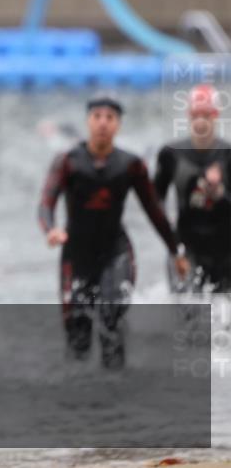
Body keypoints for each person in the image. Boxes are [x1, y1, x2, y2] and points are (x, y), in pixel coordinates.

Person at [37, 95, 190, 369]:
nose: (103, 124)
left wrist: (175, 250)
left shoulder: (130, 165)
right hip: (76, 255)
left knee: (111, 320)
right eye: (97, 117)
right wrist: (51, 230)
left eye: (110, 118)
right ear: (88, 122)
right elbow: (46, 203)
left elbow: (154, 211)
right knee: (77, 336)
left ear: (118, 125)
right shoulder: (68, 162)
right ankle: (77, 398)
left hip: (115, 253)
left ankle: (116, 397)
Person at [154, 83, 231, 293]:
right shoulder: (171, 154)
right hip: (186, 246)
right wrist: (170, 237)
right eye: (196, 115)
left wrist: (220, 193)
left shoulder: (228, 155)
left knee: (223, 322)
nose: (200, 121)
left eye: (206, 115)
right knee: (189, 318)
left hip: (225, 250)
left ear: (216, 116)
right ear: (188, 116)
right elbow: (154, 201)